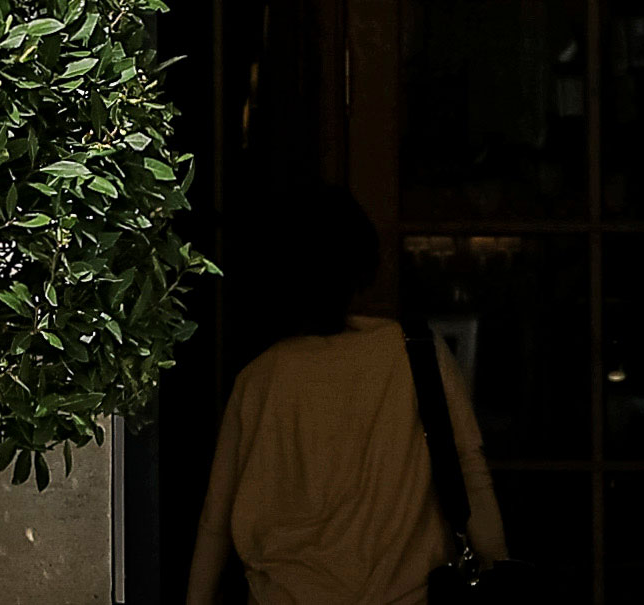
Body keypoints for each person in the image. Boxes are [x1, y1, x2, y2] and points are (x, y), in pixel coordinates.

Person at [179, 178, 505, 605]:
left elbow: (214, 522)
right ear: (362, 263)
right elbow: (469, 475)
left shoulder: (260, 378)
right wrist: (500, 574)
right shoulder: (415, 353)